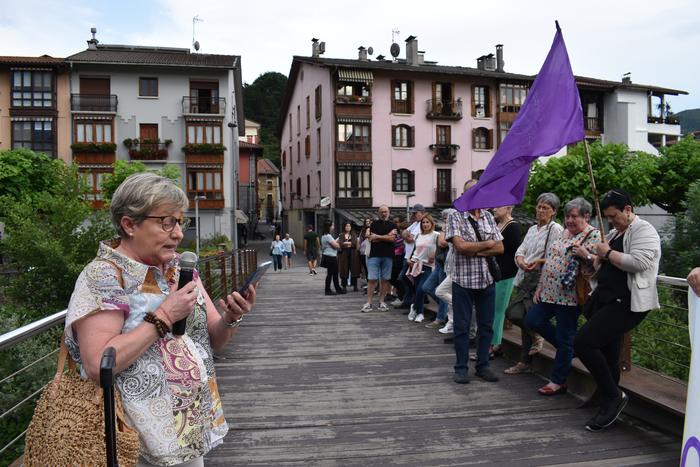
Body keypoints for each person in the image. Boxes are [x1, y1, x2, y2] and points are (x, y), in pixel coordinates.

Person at [64, 172, 256, 466]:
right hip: (133, 441)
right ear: (129, 224)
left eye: (180, 222)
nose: (178, 233)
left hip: (187, 428)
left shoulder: (180, 267)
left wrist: (231, 317)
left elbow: (215, 339)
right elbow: (97, 363)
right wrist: (166, 314)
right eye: (166, 222)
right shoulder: (104, 276)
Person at [573, 189, 661, 432]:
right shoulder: (614, 233)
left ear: (628, 210)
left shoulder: (645, 230)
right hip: (606, 299)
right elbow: (605, 263)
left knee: (583, 342)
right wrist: (590, 257)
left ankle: (614, 396)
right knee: (608, 353)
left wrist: (607, 253)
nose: (610, 220)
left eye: (614, 216)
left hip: (627, 302)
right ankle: (606, 400)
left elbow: (640, 262)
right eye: (608, 217)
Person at [525, 197, 601, 396]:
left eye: (574, 217)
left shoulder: (594, 236)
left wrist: (587, 255)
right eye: (567, 216)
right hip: (549, 292)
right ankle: (571, 348)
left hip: (570, 297)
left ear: (586, 216)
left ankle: (558, 381)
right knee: (533, 320)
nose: (569, 220)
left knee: (565, 337)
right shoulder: (562, 233)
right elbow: (550, 260)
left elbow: (598, 265)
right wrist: (541, 286)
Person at [446, 192, 504, 384]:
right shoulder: (455, 216)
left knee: (486, 326)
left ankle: (483, 366)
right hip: (463, 280)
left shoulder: (488, 216)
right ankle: (461, 368)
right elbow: (460, 247)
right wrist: (487, 244)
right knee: (462, 327)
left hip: (486, 279)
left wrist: (476, 251)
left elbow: (500, 248)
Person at [504, 193, 563, 375]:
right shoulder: (532, 229)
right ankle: (527, 357)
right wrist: (521, 261)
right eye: (539, 207)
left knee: (518, 314)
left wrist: (538, 262)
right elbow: (520, 250)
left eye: (545, 208)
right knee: (519, 314)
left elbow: (556, 256)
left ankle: (534, 352)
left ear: (553, 211)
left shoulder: (556, 230)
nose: (540, 211)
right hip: (525, 277)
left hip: (540, 280)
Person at [406, 214, 441, 323]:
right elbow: (415, 249)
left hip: (428, 265)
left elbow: (441, 248)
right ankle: (419, 313)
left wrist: (434, 255)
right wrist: (410, 259)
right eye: (423, 222)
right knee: (417, 290)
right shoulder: (417, 235)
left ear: (431, 223)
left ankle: (414, 307)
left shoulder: (436, 235)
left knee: (422, 289)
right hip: (416, 264)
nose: (425, 224)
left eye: (427, 222)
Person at [362, 205, 397, 312]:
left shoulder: (393, 224)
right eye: (381, 212)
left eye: (385, 211)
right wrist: (385, 237)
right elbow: (372, 239)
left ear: (389, 212)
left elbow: (392, 239)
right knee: (372, 279)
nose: (383, 213)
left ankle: (382, 302)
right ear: (378, 213)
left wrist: (378, 236)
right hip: (374, 255)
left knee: (385, 280)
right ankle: (369, 302)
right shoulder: (373, 224)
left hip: (388, 255)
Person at [397, 204, 427, 310]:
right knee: (405, 278)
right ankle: (409, 301)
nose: (414, 215)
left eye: (415, 213)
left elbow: (411, 239)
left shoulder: (423, 224)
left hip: (415, 255)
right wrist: (406, 235)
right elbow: (404, 233)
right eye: (413, 213)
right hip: (408, 255)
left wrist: (407, 236)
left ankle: (414, 302)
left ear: (422, 212)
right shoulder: (415, 223)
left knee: (408, 278)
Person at [321, 221, 345, 296]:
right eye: (332, 225)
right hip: (330, 256)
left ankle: (337, 288)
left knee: (333, 273)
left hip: (328, 256)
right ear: (329, 227)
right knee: (331, 274)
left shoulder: (324, 236)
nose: (333, 227)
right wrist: (340, 243)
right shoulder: (328, 236)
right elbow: (336, 246)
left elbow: (333, 243)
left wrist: (337, 240)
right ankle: (328, 290)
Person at [337, 222, 361, 292]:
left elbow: (354, 244)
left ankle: (355, 286)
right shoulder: (341, 235)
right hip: (344, 254)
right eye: (346, 226)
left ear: (351, 227)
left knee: (354, 269)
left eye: (349, 226)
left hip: (353, 253)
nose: (348, 227)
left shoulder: (353, 234)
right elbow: (340, 244)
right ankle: (344, 286)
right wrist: (348, 243)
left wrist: (346, 243)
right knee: (344, 269)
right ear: (344, 227)